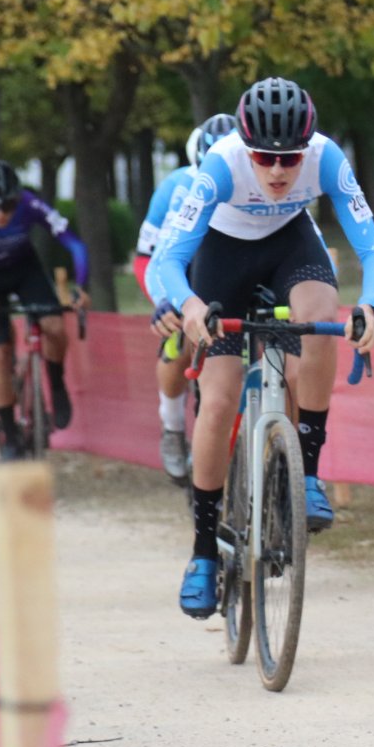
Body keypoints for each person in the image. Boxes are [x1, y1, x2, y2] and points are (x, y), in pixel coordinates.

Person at [151, 77, 374, 619]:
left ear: (308, 145)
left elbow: (373, 250)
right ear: (244, 145)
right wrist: (188, 306)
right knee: (218, 399)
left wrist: (371, 306)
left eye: (290, 158)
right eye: (265, 157)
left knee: (320, 316)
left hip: (288, 247)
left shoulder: (327, 158)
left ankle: (306, 473)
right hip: (221, 258)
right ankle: (204, 553)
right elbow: (168, 258)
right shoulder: (219, 166)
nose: (279, 171)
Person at [135, 112, 239, 483]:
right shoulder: (176, 187)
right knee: (177, 341)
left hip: (230, 266)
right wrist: (163, 301)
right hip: (180, 268)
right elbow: (149, 256)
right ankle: (173, 426)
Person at [0, 158, 90, 458]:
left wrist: (80, 285)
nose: (1, 214)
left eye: (8, 206)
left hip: (25, 270)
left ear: (18, 198)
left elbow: (75, 244)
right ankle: (10, 436)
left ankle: (56, 383)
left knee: (54, 325)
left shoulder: (30, 204)